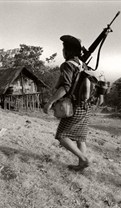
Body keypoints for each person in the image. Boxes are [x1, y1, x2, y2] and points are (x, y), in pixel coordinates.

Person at [43, 35, 92, 171]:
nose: (62, 52)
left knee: (62, 136)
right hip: (85, 106)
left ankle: (83, 159)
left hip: (74, 107)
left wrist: (50, 102)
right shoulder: (83, 64)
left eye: (64, 49)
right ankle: (81, 164)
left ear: (68, 51)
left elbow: (65, 87)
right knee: (80, 138)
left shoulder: (68, 65)